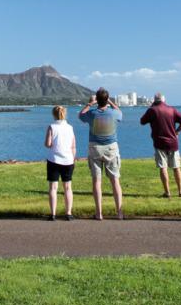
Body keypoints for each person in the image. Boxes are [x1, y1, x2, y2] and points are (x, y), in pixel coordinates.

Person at [79, 88, 124, 220]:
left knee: (97, 181)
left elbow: (81, 115)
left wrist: (89, 104)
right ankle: (119, 213)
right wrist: (110, 101)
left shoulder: (92, 113)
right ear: (107, 100)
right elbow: (120, 113)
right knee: (115, 180)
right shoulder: (114, 113)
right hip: (111, 148)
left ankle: (99, 213)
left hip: (95, 148)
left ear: (97, 100)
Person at [140, 92, 181, 198]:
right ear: (164, 100)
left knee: (163, 168)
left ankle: (167, 192)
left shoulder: (152, 110)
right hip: (173, 142)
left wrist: (151, 107)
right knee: (177, 168)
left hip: (159, 143)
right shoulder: (172, 109)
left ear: (154, 100)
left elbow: (142, 121)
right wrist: (176, 132)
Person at [44, 105, 76, 221]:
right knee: (67, 187)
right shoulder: (70, 127)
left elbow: (48, 144)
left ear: (54, 115)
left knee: (53, 187)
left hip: (54, 160)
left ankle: (53, 214)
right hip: (68, 160)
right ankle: (68, 213)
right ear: (64, 114)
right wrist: (73, 159)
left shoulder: (52, 127)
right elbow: (73, 146)